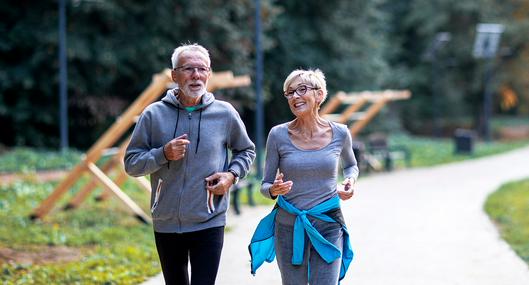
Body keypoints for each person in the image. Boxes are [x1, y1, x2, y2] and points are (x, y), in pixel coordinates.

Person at [124, 43, 255, 285]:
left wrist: (231, 176)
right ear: (174, 75)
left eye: (202, 69)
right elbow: (131, 164)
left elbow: (246, 150)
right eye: (188, 69)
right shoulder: (153, 115)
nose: (196, 75)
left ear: (209, 73)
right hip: (166, 221)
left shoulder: (225, 113)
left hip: (209, 219)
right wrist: (163, 153)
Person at [249, 68, 359, 285]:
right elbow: (265, 185)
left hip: (328, 223)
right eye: (290, 93)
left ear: (319, 95)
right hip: (288, 226)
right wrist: (273, 190)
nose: (295, 97)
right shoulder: (278, 135)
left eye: (301, 90)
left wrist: (350, 181)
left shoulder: (340, 133)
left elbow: (352, 165)